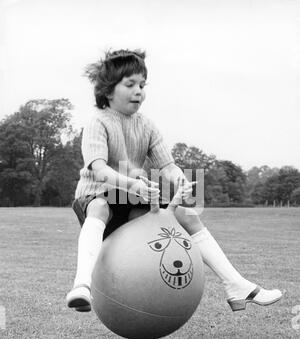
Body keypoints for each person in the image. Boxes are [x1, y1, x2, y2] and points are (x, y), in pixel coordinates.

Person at [66, 49, 282, 313]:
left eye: (143, 85)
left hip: (133, 199)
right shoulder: (97, 122)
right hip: (96, 195)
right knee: (100, 206)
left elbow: (167, 166)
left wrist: (181, 181)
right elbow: (99, 170)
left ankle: (236, 285)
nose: (139, 91)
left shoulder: (147, 125)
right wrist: (132, 184)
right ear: (108, 90)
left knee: (187, 215)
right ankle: (82, 286)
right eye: (130, 84)